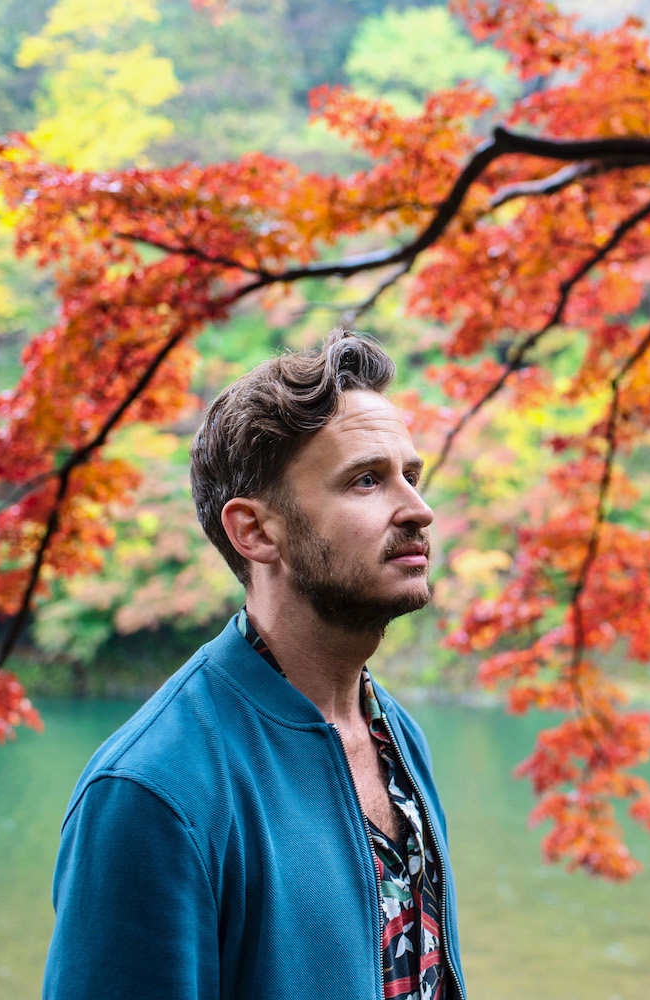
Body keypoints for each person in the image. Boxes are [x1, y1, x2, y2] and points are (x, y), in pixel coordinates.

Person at [44, 332, 465, 1000]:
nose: (419, 509)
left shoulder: (397, 737)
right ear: (255, 532)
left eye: (410, 476)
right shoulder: (152, 791)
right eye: (366, 480)